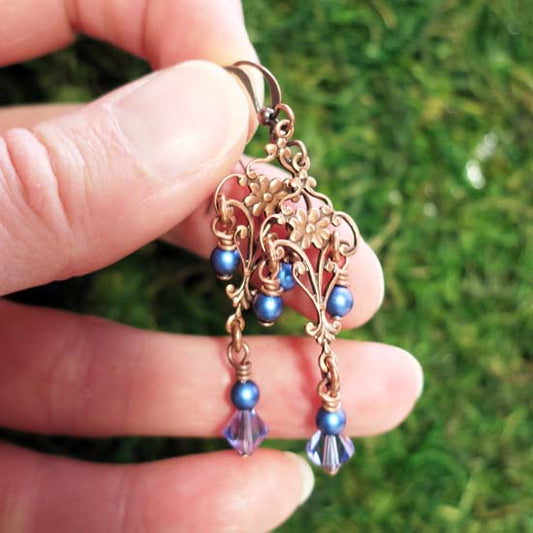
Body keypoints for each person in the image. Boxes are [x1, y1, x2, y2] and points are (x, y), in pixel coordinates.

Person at [0, 1, 424, 530]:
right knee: (257, 321)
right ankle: (293, 402)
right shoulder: (241, 202)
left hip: (278, 231)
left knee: (291, 319)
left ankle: (307, 401)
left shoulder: (270, 206)